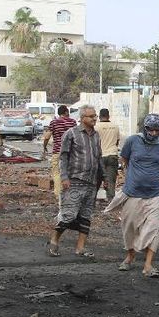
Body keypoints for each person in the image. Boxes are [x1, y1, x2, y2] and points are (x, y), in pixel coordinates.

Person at [105, 114, 159, 277]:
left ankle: (148, 266)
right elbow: (125, 159)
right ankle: (130, 256)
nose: (154, 133)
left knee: (153, 229)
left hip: (153, 194)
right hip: (132, 193)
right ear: (145, 128)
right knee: (128, 227)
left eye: (158, 130)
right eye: (151, 129)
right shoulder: (132, 141)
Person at [47, 105, 104, 257]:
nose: (94, 119)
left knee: (86, 215)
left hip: (91, 182)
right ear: (82, 118)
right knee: (68, 215)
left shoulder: (96, 135)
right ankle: (54, 240)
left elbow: (98, 157)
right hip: (74, 181)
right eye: (91, 116)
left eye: (95, 116)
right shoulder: (71, 134)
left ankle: (80, 248)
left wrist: (102, 176)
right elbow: (63, 157)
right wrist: (64, 177)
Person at [43, 105, 77, 205]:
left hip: (57, 151)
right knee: (70, 173)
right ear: (66, 112)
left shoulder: (54, 122)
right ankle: (71, 195)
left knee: (57, 173)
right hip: (71, 153)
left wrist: (44, 146)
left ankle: (59, 195)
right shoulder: (73, 122)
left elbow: (47, 137)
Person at [96, 108, 121, 201]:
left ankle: (91, 200)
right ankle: (110, 200)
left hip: (100, 156)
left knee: (97, 178)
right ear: (108, 116)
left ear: (99, 116)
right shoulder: (115, 126)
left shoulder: (96, 127)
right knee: (111, 179)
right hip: (112, 155)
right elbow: (117, 142)